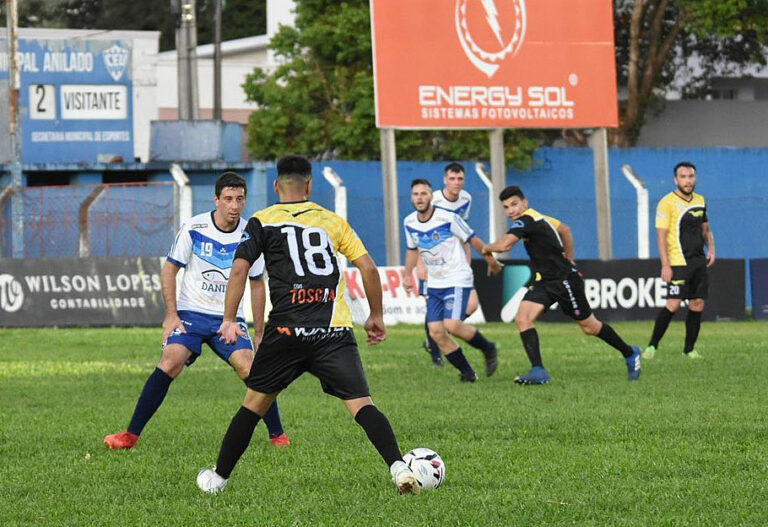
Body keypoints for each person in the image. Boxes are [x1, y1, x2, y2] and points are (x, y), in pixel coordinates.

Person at [196, 155, 420, 495]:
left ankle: (218, 479)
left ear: (276, 186)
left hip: (286, 331)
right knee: (362, 405)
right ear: (310, 185)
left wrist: (229, 319)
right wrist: (376, 316)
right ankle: (398, 466)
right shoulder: (332, 221)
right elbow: (369, 269)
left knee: (254, 405)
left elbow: (240, 269)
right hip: (333, 331)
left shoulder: (261, 221)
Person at [104, 172, 290, 450]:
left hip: (230, 319)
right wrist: (171, 316)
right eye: (228, 199)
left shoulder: (251, 235)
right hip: (191, 314)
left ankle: (278, 436)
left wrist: (260, 333)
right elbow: (169, 270)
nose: (234, 206)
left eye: (240, 199)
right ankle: (129, 436)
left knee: (250, 368)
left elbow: (257, 285)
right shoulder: (194, 227)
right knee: (171, 361)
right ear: (216, 199)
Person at [482, 185, 641, 384]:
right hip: (545, 280)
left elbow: (505, 245)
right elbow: (565, 229)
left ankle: (630, 353)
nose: (512, 210)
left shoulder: (527, 220)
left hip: (564, 281)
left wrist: (486, 248)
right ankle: (538, 371)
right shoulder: (540, 218)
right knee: (523, 318)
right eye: (506, 207)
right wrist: (570, 258)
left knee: (589, 327)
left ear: (525, 202)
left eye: (515, 204)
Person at [403, 179, 502, 383]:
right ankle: (467, 373)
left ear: (431, 196)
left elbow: (473, 239)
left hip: (457, 277)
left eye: (423, 194)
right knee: (436, 332)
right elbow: (412, 250)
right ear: (411, 198)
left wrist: (490, 261)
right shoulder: (409, 222)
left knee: (453, 325)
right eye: (415, 194)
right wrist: (407, 275)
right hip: (435, 282)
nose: (419, 198)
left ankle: (488, 348)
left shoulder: (448, 218)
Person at [643, 162, 715, 360]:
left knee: (697, 303)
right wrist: (665, 265)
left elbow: (706, 229)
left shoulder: (700, 200)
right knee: (673, 304)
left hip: (698, 261)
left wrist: (712, 250)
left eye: (691, 176)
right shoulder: (666, 203)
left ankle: (689, 350)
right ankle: (652, 347)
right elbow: (661, 236)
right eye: (683, 177)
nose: (688, 180)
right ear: (676, 180)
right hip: (678, 262)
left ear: (695, 178)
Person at [418, 163, 479, 366]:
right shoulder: (432, 199)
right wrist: (420, 264)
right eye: (452, 179)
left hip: (455, 262)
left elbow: (463, 232)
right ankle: (435, 353)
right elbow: (420, 233)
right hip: (432, 262)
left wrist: (467, 260)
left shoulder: (466, 199)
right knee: (432, 308)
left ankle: (440, 335)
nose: (456, 183)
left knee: (472, 304)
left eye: (460, 178)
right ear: (445, 180)